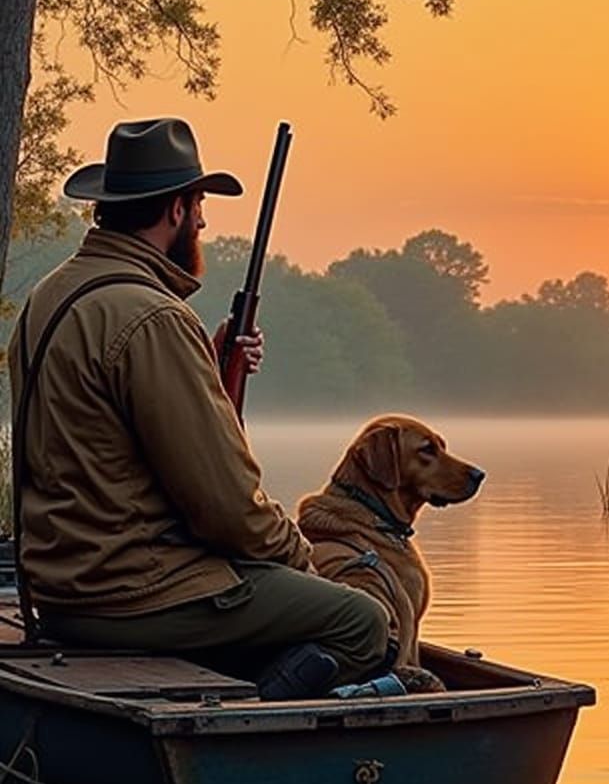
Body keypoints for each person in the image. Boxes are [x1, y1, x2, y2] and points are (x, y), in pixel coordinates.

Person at [7, 118, 391, 695]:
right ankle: (252, 716)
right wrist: (301, 558)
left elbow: (101, 434)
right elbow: (226, 508)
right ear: (175, 211)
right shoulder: (155, 317)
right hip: (136, 594)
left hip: (60, 591)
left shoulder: (52, 294)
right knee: (363, 623)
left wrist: (207, 368)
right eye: (200, 206)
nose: (205, 222)